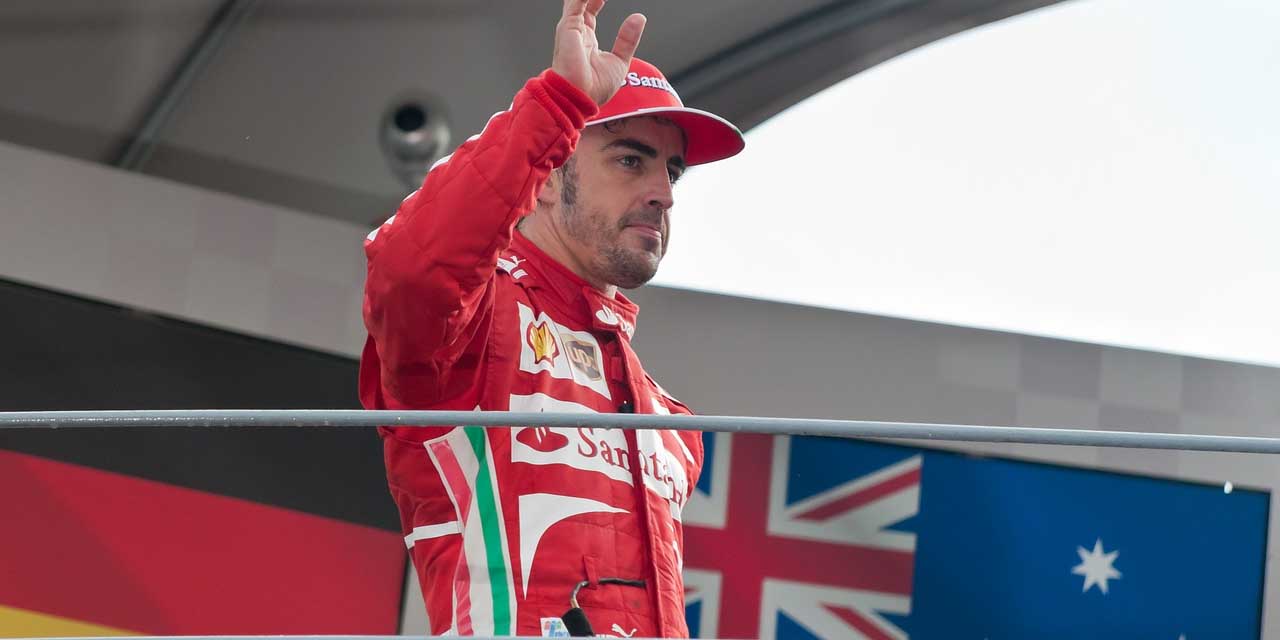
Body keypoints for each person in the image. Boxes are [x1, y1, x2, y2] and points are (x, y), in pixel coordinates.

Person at [359, 0, 745, 636]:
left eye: (671, 171)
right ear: (542, 180)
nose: (663, 193)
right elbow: (411, 271)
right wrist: (558, 105)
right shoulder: (472, 328)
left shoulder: (670, 422)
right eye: (631, 160)